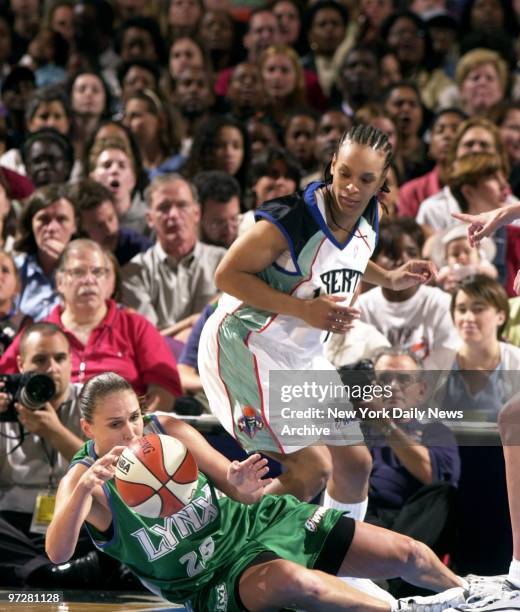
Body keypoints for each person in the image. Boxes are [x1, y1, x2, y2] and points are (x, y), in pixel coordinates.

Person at [46, 371, 469, 611]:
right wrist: (84, 489)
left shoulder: (167, 430)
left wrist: (242, 483)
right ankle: (404, 611)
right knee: (295, 581)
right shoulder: (86, 481)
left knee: (410, 554)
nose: (131, 430)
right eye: (116, 424)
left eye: (134, 417)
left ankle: (472, 598)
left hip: (255, 524)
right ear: (88, 429)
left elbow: (237, 487)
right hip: (211, 578)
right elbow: (57, 553)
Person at [198, 124, 436, 519]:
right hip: (246, 347)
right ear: (332, 166)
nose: (351, 188)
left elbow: (346, 257)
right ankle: (227, 544)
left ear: (382, 182)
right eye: (344, 173)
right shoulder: (292, 219)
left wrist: (391, 278)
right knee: (311, 470)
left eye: (365, 179)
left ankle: (343, 566)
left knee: (356, 464)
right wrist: (304, 311)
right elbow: (226, 276)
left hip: (302, 355)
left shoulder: (370, 214)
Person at [1, 239, 181, 412]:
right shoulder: (38, 334)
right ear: (60, 281)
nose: (89, 280)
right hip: (44, 432)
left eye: (97, 272)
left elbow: (164, 391)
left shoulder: (136, 326)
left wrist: (133, 427)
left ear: (108, 281)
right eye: (78, 272)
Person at [358, 348, 461, 598]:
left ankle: (384, 579)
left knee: (443, 494)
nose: (393, 387)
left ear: (422, 391)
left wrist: (385, 424)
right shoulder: (355, 428)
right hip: (369, 520)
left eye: (403, 379)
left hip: (417, 523)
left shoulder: (435, 431)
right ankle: (378, 580)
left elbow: (432, 476)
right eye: (384, 380)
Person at [0, 322, 89, 587]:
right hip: (13, 525)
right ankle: (50, 572)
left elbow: (106, 472)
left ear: (72, 361)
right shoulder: (5, 401)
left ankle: (32, 570)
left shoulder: (90, 402)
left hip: (73, 523)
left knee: (114, 525)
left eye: (60, 358)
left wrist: (55, 432)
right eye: (40, 360)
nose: (52, 368)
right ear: (20, 364)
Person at [121, 174, 226, 337]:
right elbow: (147, 339)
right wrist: (192, 323)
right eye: (164, 207)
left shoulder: (223, 262)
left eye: (182, 205)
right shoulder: (134, 273)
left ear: (197, 213)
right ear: (149, 219)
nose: (174, 215)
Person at [14, 183, 78, 321]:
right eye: (43, 219)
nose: (51, 228)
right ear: (31, 224)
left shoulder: (90, 272)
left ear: (75, 226)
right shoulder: (14, 270)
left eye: (62, 219)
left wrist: (69, 263)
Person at [70, 178, 152, 267]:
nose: (110, 229)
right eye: (99, 225)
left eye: (111, 218)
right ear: (80, 229)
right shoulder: (69, 253)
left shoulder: (142, 250)